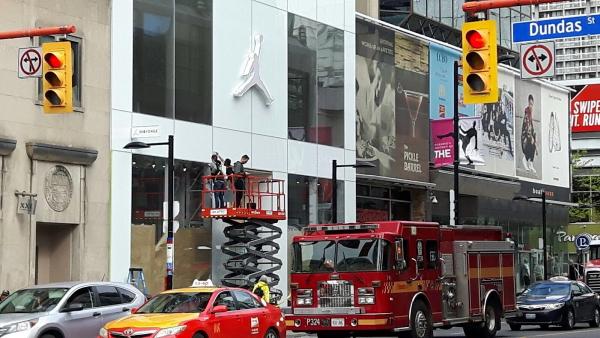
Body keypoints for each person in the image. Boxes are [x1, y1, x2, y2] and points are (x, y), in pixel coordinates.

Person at [521, 95, 537, 174]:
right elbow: (526, 126)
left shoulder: (531, 111)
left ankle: (531, 164)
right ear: (528, 102)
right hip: (526, 134)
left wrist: (533, 134)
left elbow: (531, 125)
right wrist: (530, 136)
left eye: (532, 104)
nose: (531, 105)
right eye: (530, 104)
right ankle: (525, 160)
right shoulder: (527, 112)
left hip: (530, 133)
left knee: (533, 146)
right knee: (529, 146)